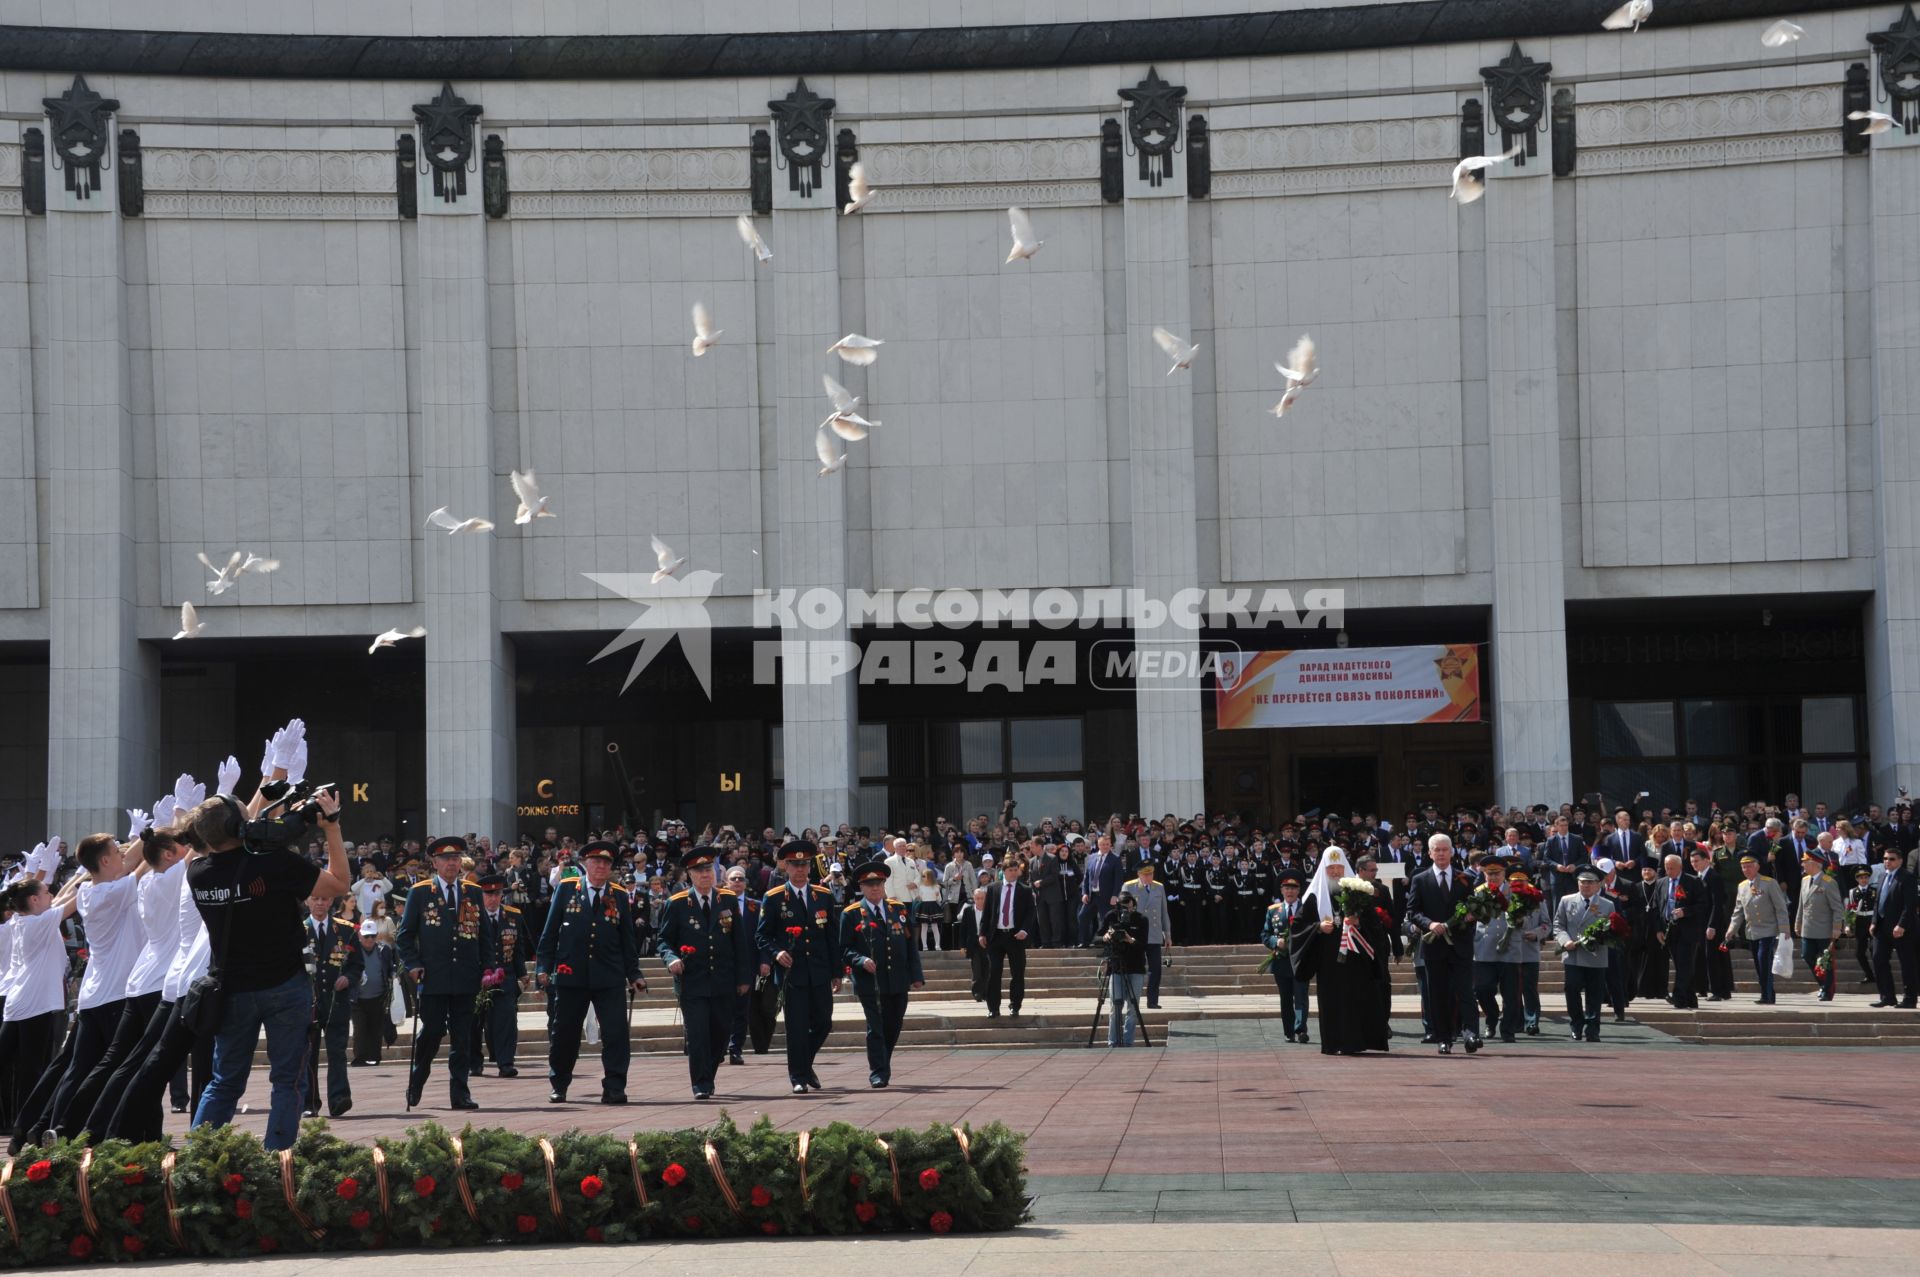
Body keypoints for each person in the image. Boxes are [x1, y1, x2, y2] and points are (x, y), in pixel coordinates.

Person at [186, 779, 350, 1151]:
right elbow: (339, 884)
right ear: (239, 827)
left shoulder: (197, 873)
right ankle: (277, 1158)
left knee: (225, 1080)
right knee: (288, 1079)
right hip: (284, 986)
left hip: (232, 990)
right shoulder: (274, 864)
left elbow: (231, 842)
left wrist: (264, 812)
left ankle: (198, 1156)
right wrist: (332, 827)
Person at [17, 832, 149, 1148]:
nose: (121, 856)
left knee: (78, 1070)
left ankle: (54, 1131)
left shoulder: (89, 890)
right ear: (104, 861)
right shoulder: (109, 892)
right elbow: (140, 864)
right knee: (121, 1068)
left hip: (94, 996)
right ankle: (93, 1132)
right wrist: (153, 832)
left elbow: (127, 864)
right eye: (115, 853)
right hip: (116, 995)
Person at [535, 840, 645, 1104]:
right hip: (571, 974)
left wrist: (634, 974)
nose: (601, 867)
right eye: (596, 862)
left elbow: (627, 940)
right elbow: (550, 934)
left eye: (606, 863)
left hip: (609, 976)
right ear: (585, 863)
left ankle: (615, 1086)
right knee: (565, 1033)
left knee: (616, 1033)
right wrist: (543, 968)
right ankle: (559, 1083)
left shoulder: (618, 894)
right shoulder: (565, 889)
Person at [396, 835, 491, 1111]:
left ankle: (460, 1093)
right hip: (433, 977)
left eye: (455, 858)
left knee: (462, 1037)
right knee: (432, 1032)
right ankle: (417, 1080)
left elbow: (484, 933)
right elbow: (405, 936)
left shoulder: (473, 891)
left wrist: (488, 967)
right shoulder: (421, 892)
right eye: (445, 859)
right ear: (435, 863)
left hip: (465, 977)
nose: (451, 863)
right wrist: (413, 965)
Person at [657, 846, 754, 1100]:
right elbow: (664, 941)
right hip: (693, 981)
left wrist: (744, 978)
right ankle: (701, 1084)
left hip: (723, 979)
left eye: (708, 869)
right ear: (689, 874)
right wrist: (672, 958)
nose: (705, 874)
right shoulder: (677, 904)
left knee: (722, 1034)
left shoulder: (728, 900)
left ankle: (707, 1075)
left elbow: (739, 942)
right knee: (698, 1035)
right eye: (699, 870)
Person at [0, 872, 84, 1129]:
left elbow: (58, 899)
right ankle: (27, 1124)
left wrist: (80, 874)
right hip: (37, 1005)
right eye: (45, 893)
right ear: (35, 900)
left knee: (9, 1064)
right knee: (32, 1070)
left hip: (17, 1004)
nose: (51, 895)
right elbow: (74, 901)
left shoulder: (20, 920)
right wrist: (91, 878)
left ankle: (18, 1122)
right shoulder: (40, 923)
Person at [756, 841, 842, 1094]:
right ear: (786, 867)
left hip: (819, 970)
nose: (800, 869)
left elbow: (831, 937)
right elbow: (762, 936)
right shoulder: (773, 898)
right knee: (796, 1026)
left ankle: (805, 1063)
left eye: (804, 864)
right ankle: (798, 1077)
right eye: (795, 865)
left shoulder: (823, 895)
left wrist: (837, 972)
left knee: (824, 1022)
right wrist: (776, 952)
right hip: (791, 973)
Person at [1289, 846, 1390, 1056]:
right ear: (1323, 869)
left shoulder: (1358, 892)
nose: (1335, 872)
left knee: (1357, 998)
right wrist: (1317, 928)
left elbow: (1376, 927)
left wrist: (1358, 922)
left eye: (1339, 867)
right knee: (1333, 1001)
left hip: (1356, 959)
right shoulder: (1314, 897)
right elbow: (1298, 927)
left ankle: (1356, 1042)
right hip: (1328, 962)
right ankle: (1334, 1043)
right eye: (1330, 868)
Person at [842, 861, 925, 1085]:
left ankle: (883, 1063)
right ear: (861, 887)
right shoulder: (851, 914)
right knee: (876, 1027)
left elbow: (910, 945)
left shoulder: (897, 909)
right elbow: (844, 948)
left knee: (894, 1025)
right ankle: (878, 1072)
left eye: (878, 883)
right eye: (869, 884)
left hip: (898, 979)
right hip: (870, 981)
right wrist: (860, 959)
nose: (875, 888)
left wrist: (916, 975)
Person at [1407, 834, 1479, 1054]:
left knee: (1466, 992)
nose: (1440, 853)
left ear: (1452, 852)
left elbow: (1475, 906)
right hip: (1434, 945)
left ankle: (1471, 1034)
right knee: (1437, 995)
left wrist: (1471, 916)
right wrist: (1429, 925)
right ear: (1429, 853)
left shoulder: (1465, 878)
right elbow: (1412, 911)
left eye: (1444, 849)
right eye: (1436, 850)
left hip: (1460, 945)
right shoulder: (1420, 879)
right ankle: (1444, 1038)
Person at [300, 890, 361, 1118]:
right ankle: (309, 1102)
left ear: (331, 901)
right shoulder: (298, 931)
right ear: (307, 900)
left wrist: (349, 978)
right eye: (315, 898)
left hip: (337, 1002)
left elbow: (356, 964)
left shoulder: (346, 929)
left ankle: (339, 1098)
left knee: (337, 1051)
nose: (319, 903)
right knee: (308, 1054)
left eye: (324, 898)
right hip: (309, 1002)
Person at [470, 872, 526, 1078]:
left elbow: (519, 947)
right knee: (474, 1022)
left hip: (505, 975)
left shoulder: (513, 915)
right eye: (488, 894)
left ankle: (505, 1062)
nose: (493, 898)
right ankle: (474, 1062)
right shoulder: (470, 915)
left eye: (497, 894)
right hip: (477, 977)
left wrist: (522, 974)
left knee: (506, 1021)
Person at [1553, 867, 1615, 1042]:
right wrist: (1565, 941)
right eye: (1583, 882)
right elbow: (1558, 925)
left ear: (1598, 885)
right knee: (1571, 989)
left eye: (1590, 882)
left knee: (1595, 994)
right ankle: (1576, 1024)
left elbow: (1613, 929)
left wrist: (1600, 937)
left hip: (1595, 955)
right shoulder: (1567, 901)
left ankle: (1593, 1028)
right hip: (1573, 954)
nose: (1586, 886)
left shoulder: (1607, 904)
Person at [1726, 853, 1792, 1005]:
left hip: (1768, 929)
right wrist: (1731, 929)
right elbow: (1738, 910)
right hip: (1752, 931)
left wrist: (1784, 929)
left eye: (1749, 866)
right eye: (1744, 867)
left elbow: (1781, 907)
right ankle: (1768, 992)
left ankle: (1767, 995)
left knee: (1764, 962)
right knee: (1758, 963)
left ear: (1757, 867)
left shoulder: (1769, 883)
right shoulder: (1742, 886)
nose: (1746, 869)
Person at [1471, 854, 1522, 1043]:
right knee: (1482, 989)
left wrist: (1520, 920)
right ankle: (1492, 1018)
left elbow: (1525, 918)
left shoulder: (1516, 892)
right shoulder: (1478, 892)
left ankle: (1507, 1030)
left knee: (1511, 993)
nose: (1493, 877)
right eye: (1489, 874)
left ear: (1504, 874)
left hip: (1510, 949)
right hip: (1485, 947)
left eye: (1497, 873)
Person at [719, 865, 762, 1066]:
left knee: (742, 1009)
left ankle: (735, 1048)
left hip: (748, 963)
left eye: (741, 879)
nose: (737, 882)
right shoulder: (717, 903)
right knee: (721, 1008)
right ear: (726, 882)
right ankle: (720, 1047)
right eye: (733, 879)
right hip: (723, 963)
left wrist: (765, 960)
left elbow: (763, 935)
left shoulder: (756, 906)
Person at [1654, 853, 1707, 1010]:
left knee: (1684, 964)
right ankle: (1690, 999)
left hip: (1687, 930)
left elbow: (1703, 905)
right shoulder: (1661, 883)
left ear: (1680, 867)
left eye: (1672, 868)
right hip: (1669, 930)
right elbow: (1657, 908)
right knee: (1681, 965)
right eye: (1666, 868)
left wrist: (1686, 911)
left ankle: (1678, 997)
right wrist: (1658, 930)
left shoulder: (1693, 882)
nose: (1669, 871)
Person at [1261, 871, 1310, 1042]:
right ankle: (1289, 1030)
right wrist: (1276, 941)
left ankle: (1300, 1029)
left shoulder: (1307, 908)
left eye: (1294, 888)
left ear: (1299, 890)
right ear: (1281, 890)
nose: (1290, 891)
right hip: (1281, 961)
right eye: (1286, 888)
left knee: (1301, 995)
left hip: (1301, 960)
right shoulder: (1273, 910)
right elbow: (1265, 934)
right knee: (1286, 997)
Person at [1099, 892, 1150, 1047]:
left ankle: (1128, 1043)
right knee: (1115, 1006)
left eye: (1129, 907)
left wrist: (1130, 940)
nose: (1126, 911)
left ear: (1134, 905)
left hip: (1135, 967)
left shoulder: (1141, 919)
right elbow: (1095, 937)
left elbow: (1143, 945)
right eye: (1123, 908)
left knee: (1133, 1008)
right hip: (1116, 967)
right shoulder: (1111, 917)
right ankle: (1112, 1042)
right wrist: (1105, 937)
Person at [1868, 846, 1917, 1009]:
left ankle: (1910, 998)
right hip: (1882, 927)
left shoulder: (1907, 877)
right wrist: (1874, 921)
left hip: (1902, 929)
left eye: (1891, 859)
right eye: (1885, 859)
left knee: (1907, 963)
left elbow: (1910, 905)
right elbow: (1877, 902)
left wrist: (1902, 925)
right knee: (1878, 959)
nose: (1887, 862)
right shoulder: (1882, 876)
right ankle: (1887, 996)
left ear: (1900, 861)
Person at [1121, 861, 1173, 1008]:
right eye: (1146, 874)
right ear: (1139, 874)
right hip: (1135, 935)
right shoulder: (1129, 886)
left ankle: (1152, 1001)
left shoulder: (1159, 887)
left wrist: (1167, 934)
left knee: (1156, 969)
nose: (1149, 876)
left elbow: (1164, 913)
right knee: (1134, 968)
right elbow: (1123, 912)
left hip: (1154, 934)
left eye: (1151, 873)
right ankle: (1131, 999)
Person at [1796, 850, 1845, 1001]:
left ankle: (1827, 990)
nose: (1803, 864)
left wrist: (1837, 927)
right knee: (1807, 956)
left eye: (1805, 861)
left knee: (1826, 961)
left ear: (1814, 863)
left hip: (1824, 929)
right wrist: (1798, 922)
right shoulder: (1805, 880)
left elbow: (1837, 907)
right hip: (1808, 928)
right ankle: (1822, 984)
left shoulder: (1828, 882)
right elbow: (1801, 904)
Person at [349, 919, 396, 1065]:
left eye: (372, 936)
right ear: (360, 936)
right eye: (366, 936)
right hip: (358, 998)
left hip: (378, 997)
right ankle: (360, 1058)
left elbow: (390, 968)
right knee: (360, 1029)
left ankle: (375, 1058)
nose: (369, 939)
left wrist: (394, 976)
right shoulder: (353, 952)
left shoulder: (384, 950)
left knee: (376, 1029)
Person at [954, 886, 990, 1001]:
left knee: (987, 969)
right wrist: (962, 945)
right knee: (976, 969)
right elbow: (963, 929)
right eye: (977, 898)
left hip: (987, 943)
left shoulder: (990, 910)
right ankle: (977, 993)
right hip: (973, 944)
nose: (980, 900)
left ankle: (985, 992)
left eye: (982, 898)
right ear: (974, 899)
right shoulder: (968, 910)